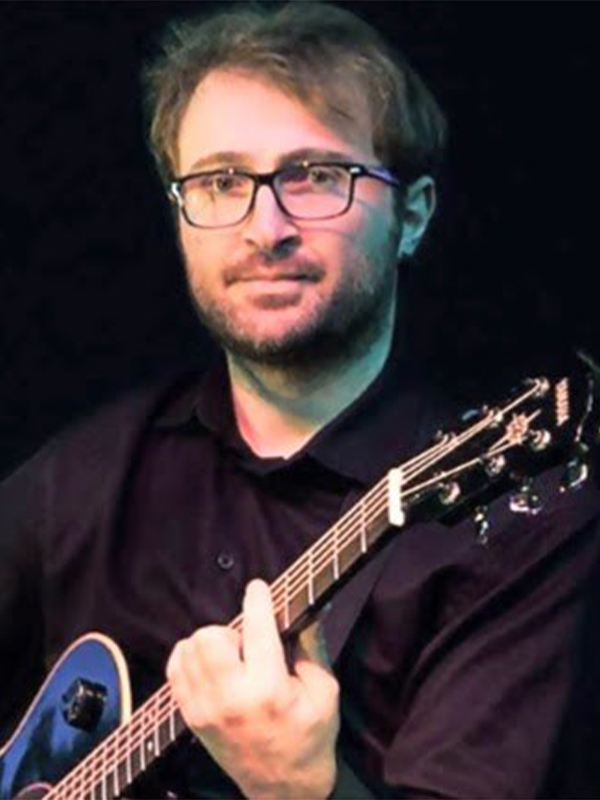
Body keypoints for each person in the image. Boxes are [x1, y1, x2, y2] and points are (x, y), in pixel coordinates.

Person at [1, 2, 599, 798]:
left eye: (316, 175)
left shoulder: (525, 520)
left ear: (412, 215)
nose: (266, 227)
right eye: (220, 181)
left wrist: (299, 786)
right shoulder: (79, 480)